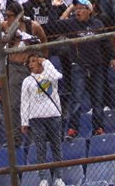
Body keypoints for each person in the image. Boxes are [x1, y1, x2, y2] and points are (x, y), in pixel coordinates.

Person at [20, 50, 66, 186]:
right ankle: (43, 178)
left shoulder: (49, 74)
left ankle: (58, 177)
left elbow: (58, 75)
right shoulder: (27, 81)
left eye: (34, 61)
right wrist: (24, 121)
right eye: (29, 62)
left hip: (53, 115)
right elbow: (25, 102)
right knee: (40, 148)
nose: (31, 64)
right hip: (36, 119)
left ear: (39, 61)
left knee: (56, 146)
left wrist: (45, 62)